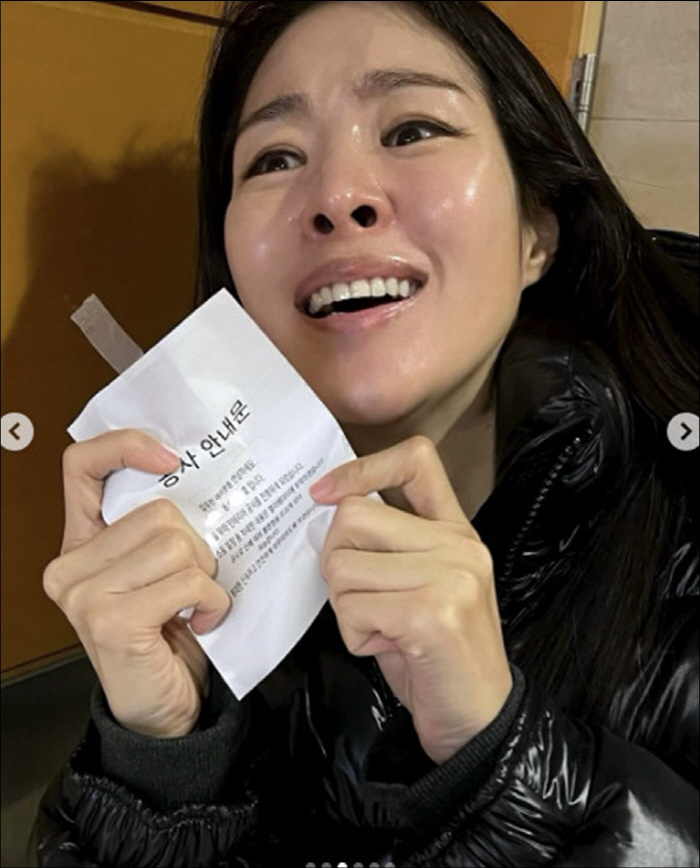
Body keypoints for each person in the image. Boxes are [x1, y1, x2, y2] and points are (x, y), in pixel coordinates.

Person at [35, 2, 698, 866]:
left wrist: (499, 757)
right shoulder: (202, 575)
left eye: (413, 129)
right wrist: (160, 757)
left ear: (537, 230)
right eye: (276, 158)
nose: (338, 198)